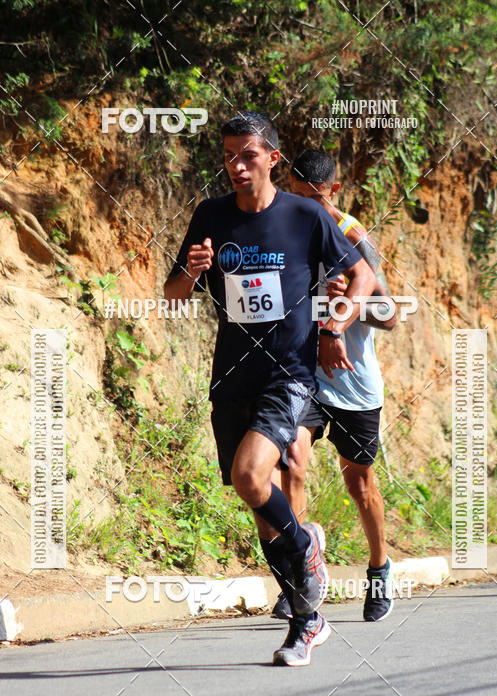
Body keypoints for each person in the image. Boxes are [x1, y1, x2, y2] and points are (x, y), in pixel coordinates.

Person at [164, 114, 378, 665]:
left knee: (250, 475)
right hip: (233, 376)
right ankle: (308, 619)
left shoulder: (304, 214)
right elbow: (171, 295)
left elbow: (364, 277)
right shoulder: (210, 215)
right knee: (259, 505)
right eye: (229, 156)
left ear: (272, 159)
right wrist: (192, 271)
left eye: (247, 156)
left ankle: (305, 547)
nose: (236, 166)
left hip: (289, 374)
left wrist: (333, 326)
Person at [271, 148, 397, 623]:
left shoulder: (352, 235)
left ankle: (380, 567)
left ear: (333, 192)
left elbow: (389, 315)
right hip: (303, 376)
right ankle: (302, 572)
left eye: (312, 198)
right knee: (292, 463)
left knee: (359, 482)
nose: (302, 206)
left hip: (353, 379)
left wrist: (349, 305)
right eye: (295, 196)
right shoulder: (286, 228)